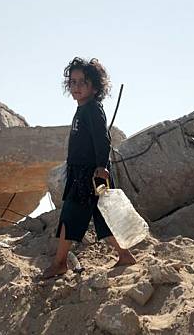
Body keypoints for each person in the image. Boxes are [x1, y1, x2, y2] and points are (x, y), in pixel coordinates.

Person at [42, 57, 136, 279]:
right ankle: (125, 255)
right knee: (103, 217)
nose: (76, 87)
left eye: (82, 82)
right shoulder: (82, 109)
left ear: (95, 87)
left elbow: (103, 140)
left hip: (90, 174)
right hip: (81, 172)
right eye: (73, 82)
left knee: (70, 216)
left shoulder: (93, 109)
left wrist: (102, 167)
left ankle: (60, 263)